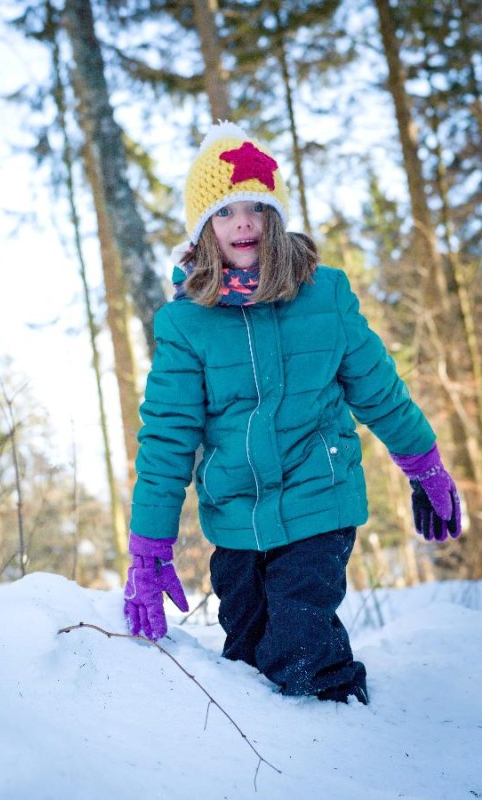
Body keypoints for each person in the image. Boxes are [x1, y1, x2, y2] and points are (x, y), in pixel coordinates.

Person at [123, 121, 461, 705]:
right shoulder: (185, 325)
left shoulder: (323, 295)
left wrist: (425, 465)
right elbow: (168, 439)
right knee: (249, 658)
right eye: (226, 212)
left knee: (302, 652)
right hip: (235, 518)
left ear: (275, 216)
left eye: (257, 207)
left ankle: (342, 740)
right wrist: (149, 546)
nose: (244, 223)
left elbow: (379, 389)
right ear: (204, 228)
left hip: (319, 495)